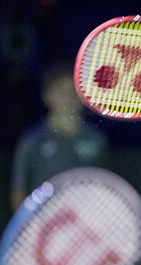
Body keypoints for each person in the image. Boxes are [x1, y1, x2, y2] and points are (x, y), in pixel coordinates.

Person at [10, 61, 109, 210]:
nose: (68, 98)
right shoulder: (32, 141)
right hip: (46, 227)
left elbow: (107, 190)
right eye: (61, 91)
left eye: (74, 91)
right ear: (46, 95)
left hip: (87, 225)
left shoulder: (97, 140)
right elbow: (18, 196)